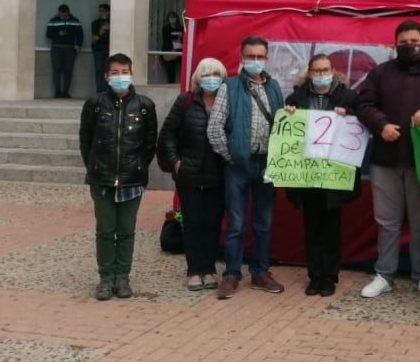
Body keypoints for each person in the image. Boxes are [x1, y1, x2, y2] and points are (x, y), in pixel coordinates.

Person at [356, 20, 420, 300]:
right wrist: (381, 124)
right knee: (387, 221)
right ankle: (384, 275)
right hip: (385, 160)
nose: (409, 46)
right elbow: (364, 105)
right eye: (403, 42)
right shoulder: (379, 73)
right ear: (395, 44)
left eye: (414, 41)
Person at [207, 36, 286, 299]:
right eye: (250, 56)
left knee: (264, 223)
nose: (255, 61)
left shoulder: (274, 88)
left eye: (259, 56)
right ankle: (231, 274)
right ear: (241, 58)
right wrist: (229, 156)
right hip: (238, 165)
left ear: (266, 58)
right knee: (237, 224)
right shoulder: (228, 87)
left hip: (267, 164)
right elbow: (215, 126)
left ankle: (260, 272)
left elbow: (283, 122)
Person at [78, 53, 157, 300]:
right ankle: (105, 278)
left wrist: (138, 168)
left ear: (132, 74)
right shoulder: (95, 103)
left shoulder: (145, 106)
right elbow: (85, 141)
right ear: (106, 76)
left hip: (132, 180)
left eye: (124, 72)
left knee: (126, 230)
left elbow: (149, 143)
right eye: (115, 72)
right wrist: (95, 167)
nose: (120, 77)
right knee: (105, 229)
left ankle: (122, 276)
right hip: (102, 179)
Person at [282, 54, 360, 297]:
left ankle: (330, 276)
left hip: (333, 174)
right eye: (316, 70)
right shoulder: (296, 97)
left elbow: (360, 124)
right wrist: (289, 112)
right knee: (311, 227)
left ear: (333, 71)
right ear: (309, 73)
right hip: (307, 174)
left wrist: (348, 113)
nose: (321, 74)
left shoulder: (348, 97)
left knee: (331, 228)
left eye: (325, 69)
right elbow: (288, 126)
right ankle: (314, 276)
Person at [157, 57, 228, 292]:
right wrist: (177, 163)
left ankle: (209, 269)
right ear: (198, 78)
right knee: (193, 223)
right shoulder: (185, 101)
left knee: (212, 224)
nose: (211, 79)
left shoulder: (228, 102)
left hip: (217, 176)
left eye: (216, 74)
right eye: (206, 75)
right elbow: (167, 134)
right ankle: (194, 270)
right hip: (189, 176)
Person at [47, 3, 84, 98]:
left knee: (68, 70)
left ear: (68, 12)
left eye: (64, 15)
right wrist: (58, 34)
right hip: (57, 48)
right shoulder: (53, 21)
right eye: (61, 15)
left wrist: (78, 44)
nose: (62, 17)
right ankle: (58, 91)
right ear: (58, 13)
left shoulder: (75, 21)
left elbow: (80, 34)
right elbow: (48, 35)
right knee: (57, 70)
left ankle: (66, 92)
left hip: (70, 48)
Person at [90, 4, 111, 94]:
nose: (100, 13)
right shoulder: (95, 23)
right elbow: (95, 38)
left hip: (109, 49)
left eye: (102, 11)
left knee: (108, 70)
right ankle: (99, 91)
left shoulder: (113, 22)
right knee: (99, 70)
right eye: (99, 11)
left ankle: (106, 91)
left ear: (108, 12)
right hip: (99, 49)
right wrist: (102, 30)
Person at [161, 11, 184, 84]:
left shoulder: (181, 28)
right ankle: (171, 83)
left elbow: (184, 38)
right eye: (170, 17)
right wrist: (176, 36)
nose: (172, 19)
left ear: (177, 18)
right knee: (171, 68)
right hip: (169, 51)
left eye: (173, 17)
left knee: (184, 67)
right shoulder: (165, 28)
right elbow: (166, 38)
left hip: (180, 51)